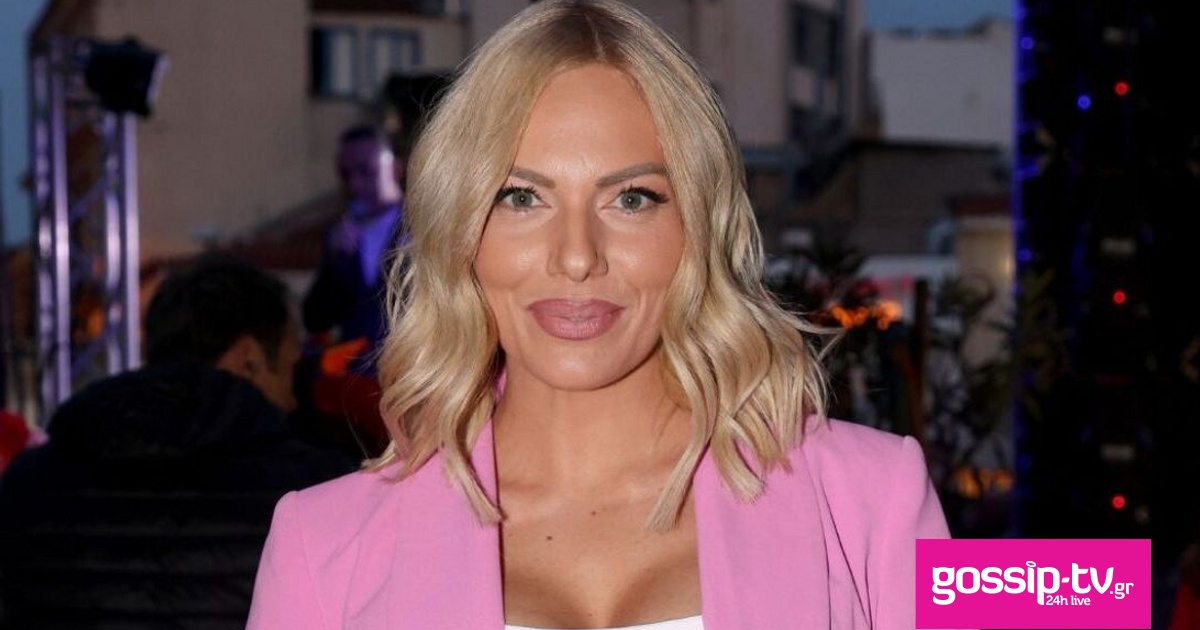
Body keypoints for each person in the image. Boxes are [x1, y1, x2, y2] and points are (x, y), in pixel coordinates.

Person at [247, 2, 952, 628]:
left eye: (632, 198)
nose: (578, 256)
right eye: (521, 197)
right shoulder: (318, 543)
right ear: (461, 232)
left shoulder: (882, 493)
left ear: (698, 228)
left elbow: (1018, 599)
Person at [0, 253, 355, 630]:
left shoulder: (30, 482)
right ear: (248, 358)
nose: (293, 399)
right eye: (289, 369)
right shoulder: (318, 489)